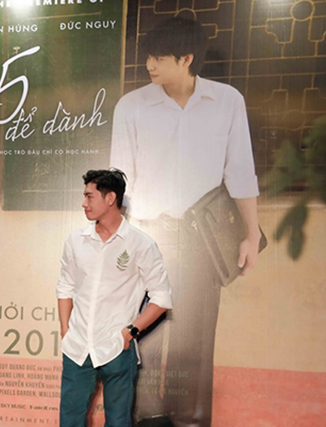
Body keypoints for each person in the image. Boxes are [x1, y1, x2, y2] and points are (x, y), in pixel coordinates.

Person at [110, 17, 261, 426]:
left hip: (201, 240)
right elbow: (119, 181)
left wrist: (250, 236)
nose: (150, 65)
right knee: (143, 337)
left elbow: (240, 172)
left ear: (186, 59)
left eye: (159, 58)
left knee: (195, 338)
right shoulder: (131, 107)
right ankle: (143, 419)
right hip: (147, 236)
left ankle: (192, 421)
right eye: (148, 56)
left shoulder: (226, 101)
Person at [57, 169, 173, 427]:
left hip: (117, 348)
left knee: (119, 422)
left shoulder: (141, 244)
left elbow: (162, 297)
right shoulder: (75, 240)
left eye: (89, 196)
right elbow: (65, 286)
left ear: (110, 198)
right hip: (77, 348)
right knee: (69, 420)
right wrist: (65, 329)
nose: (84, 203)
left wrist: (130, 332)